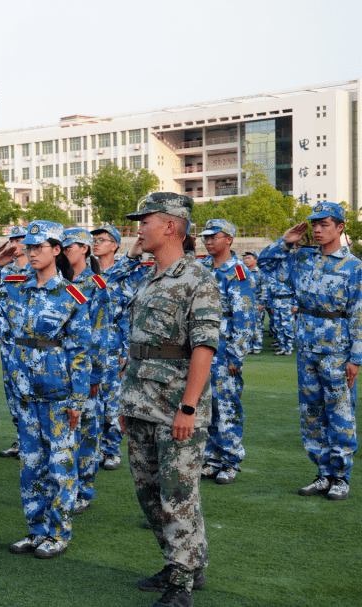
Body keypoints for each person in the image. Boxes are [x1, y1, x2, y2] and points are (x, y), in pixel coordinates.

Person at [120, 193, 220, 607]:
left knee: (178, 494)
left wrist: (189, 406)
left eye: (146, 221)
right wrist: (127, 402)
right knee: (149, 494)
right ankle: (181, 563)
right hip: (140, 401)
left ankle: (182, 582)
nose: (138, 228)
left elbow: (204, 347)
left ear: (171, 227)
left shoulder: (197, 278)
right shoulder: (150, 278)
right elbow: (138, 346)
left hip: (177, 405)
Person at [0, 221, 92, 559]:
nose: (30, 252)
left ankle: (58, 533)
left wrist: (78, 400)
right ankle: (36, 530)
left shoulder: (71, 295)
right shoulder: (15, 287)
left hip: (58, 395)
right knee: (31, 466)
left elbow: (81, 352)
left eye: (38, 247)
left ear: (56, 250)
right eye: (27, 247)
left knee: (59, 466)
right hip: (24, 394)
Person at [259, 202, 361, 501]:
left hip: (337, 352)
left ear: (341, 227)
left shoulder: (354, 267)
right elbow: (265, 267)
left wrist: (356, 359)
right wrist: (283, 241)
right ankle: (322, 473)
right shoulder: (303, 259)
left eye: (325, 224)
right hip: (307, 351)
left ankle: (340, 477)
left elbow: (358, 315)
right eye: (314, 224)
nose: (317, 229)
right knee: (311, 415)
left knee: (340, 415)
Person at [198, 220, 257, 485]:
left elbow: (245, 317)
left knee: (227, 406)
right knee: (206, 405)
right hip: (202, 349)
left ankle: (230, 460)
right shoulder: (203, 268)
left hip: (224, 351)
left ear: (229, 239)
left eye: (214, 237)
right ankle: (211, 457)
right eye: (205, 237)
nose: (209, 242)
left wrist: (236, 354)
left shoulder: (238, 272)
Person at [61, 228, 111, 515]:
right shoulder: (59, 283)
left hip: (85, 368)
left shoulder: (95, 285)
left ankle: (84, 488)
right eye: (63, 246)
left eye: (71, 246)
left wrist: (95, 374)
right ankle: (66, 485)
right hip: (60, 368)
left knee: (87, 429)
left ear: (84, 248)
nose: (67, 250)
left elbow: (101, 332)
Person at [90, 224, 128, 472]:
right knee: (91, 403)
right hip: (90, 349)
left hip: (113, 350)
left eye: (102, 239)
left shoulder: (123, 276)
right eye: (94, 239)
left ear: (114, 245)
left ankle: (112, 450)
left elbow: (128, 316)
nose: (96, 243)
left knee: (112, 402)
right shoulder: (86, 275)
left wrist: (126, 351)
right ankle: (93, 449)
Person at [0, 225, 29, 459]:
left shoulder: (38, 272)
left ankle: (31, 441)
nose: (15, 243)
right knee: (13, 396)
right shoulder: (5, 273)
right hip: (8, 344)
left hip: (30, 345)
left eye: (20, 239)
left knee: (29, 396)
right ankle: (20, 439)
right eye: (12, 239)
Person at [241, 252, 266, 355]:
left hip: (256, 302)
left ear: (255, 260)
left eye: (248, 258)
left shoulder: (260, 273)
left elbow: (264, 289)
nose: (246, 260)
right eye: (244, 258)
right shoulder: (242, 272)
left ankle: (257, 346)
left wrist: (262, 302)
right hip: (245, 302)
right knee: (246, 325)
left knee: (257, 325)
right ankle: (249, 346)